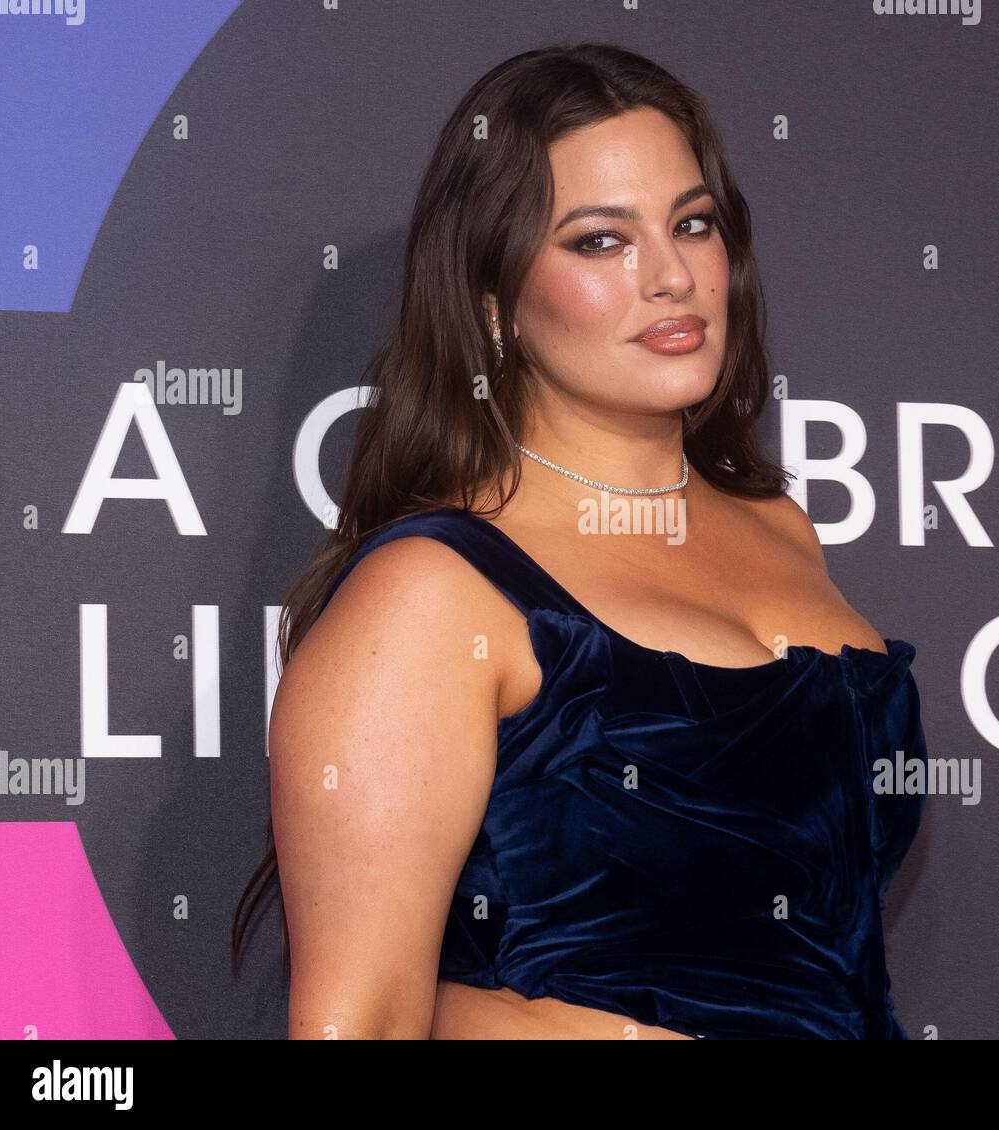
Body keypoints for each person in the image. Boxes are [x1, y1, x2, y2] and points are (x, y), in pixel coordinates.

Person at [232, 42, 927, 1040]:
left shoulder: (782, 528)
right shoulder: (433, 591)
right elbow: (363, 1023)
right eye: (600, 241)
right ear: (492, 304)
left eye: (692, 225)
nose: (670, 276)